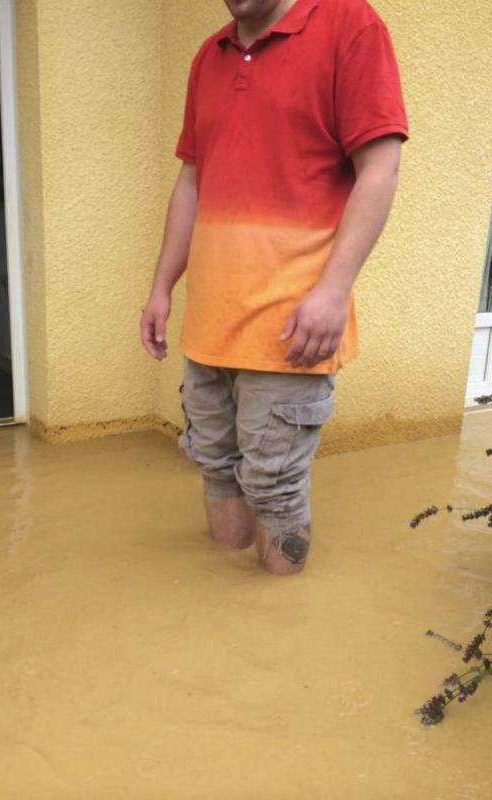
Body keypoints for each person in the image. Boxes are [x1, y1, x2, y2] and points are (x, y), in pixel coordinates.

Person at [140, 0, 409, 575]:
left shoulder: (349, 25)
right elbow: (192, 180)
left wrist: (333, 292)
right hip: (209, 326)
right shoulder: (208, 56)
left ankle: (279, 618)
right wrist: (162, 286)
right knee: (213, 466)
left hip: (291, 328)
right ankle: (229, 632)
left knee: (274, 484)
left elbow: (380, 171)